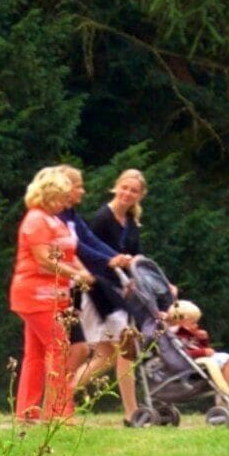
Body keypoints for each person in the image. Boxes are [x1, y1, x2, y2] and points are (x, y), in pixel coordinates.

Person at [10, 165, 93, 422]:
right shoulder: (35, 220)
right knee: (59, 349)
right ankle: (58, 412)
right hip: (35, 295)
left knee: (35, 354)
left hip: (55, 296)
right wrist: (75, 274)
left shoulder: (54, 220)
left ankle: (27, 411)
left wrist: (82, 271)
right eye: (59, 198)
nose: (63, 203)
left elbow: (69, 252)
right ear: (46, 196)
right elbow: (44, 260)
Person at [69, 167, 149, 419]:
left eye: (133, 190)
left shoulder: (131, 222)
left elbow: (134, 258)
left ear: (140, 195)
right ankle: (131, 412)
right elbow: (88, 250)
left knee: (105, 357)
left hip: (117, 290)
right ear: (116, 187)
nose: (127, 193)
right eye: (124, 187)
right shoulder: (103, 218)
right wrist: (112, 262)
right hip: (101, 292)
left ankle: (61, 396)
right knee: (126, 350)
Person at [164, 298, 229, 399]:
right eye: (192, 323)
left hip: (203, 357)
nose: (196, 325)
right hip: (191, 361)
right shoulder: (178, 336)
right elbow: (185, 353)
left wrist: (203, 340)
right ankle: (227, 392)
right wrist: (203, 352)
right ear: (181, 323)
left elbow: (203, 347)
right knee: (227, 361)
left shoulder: (190, 334)